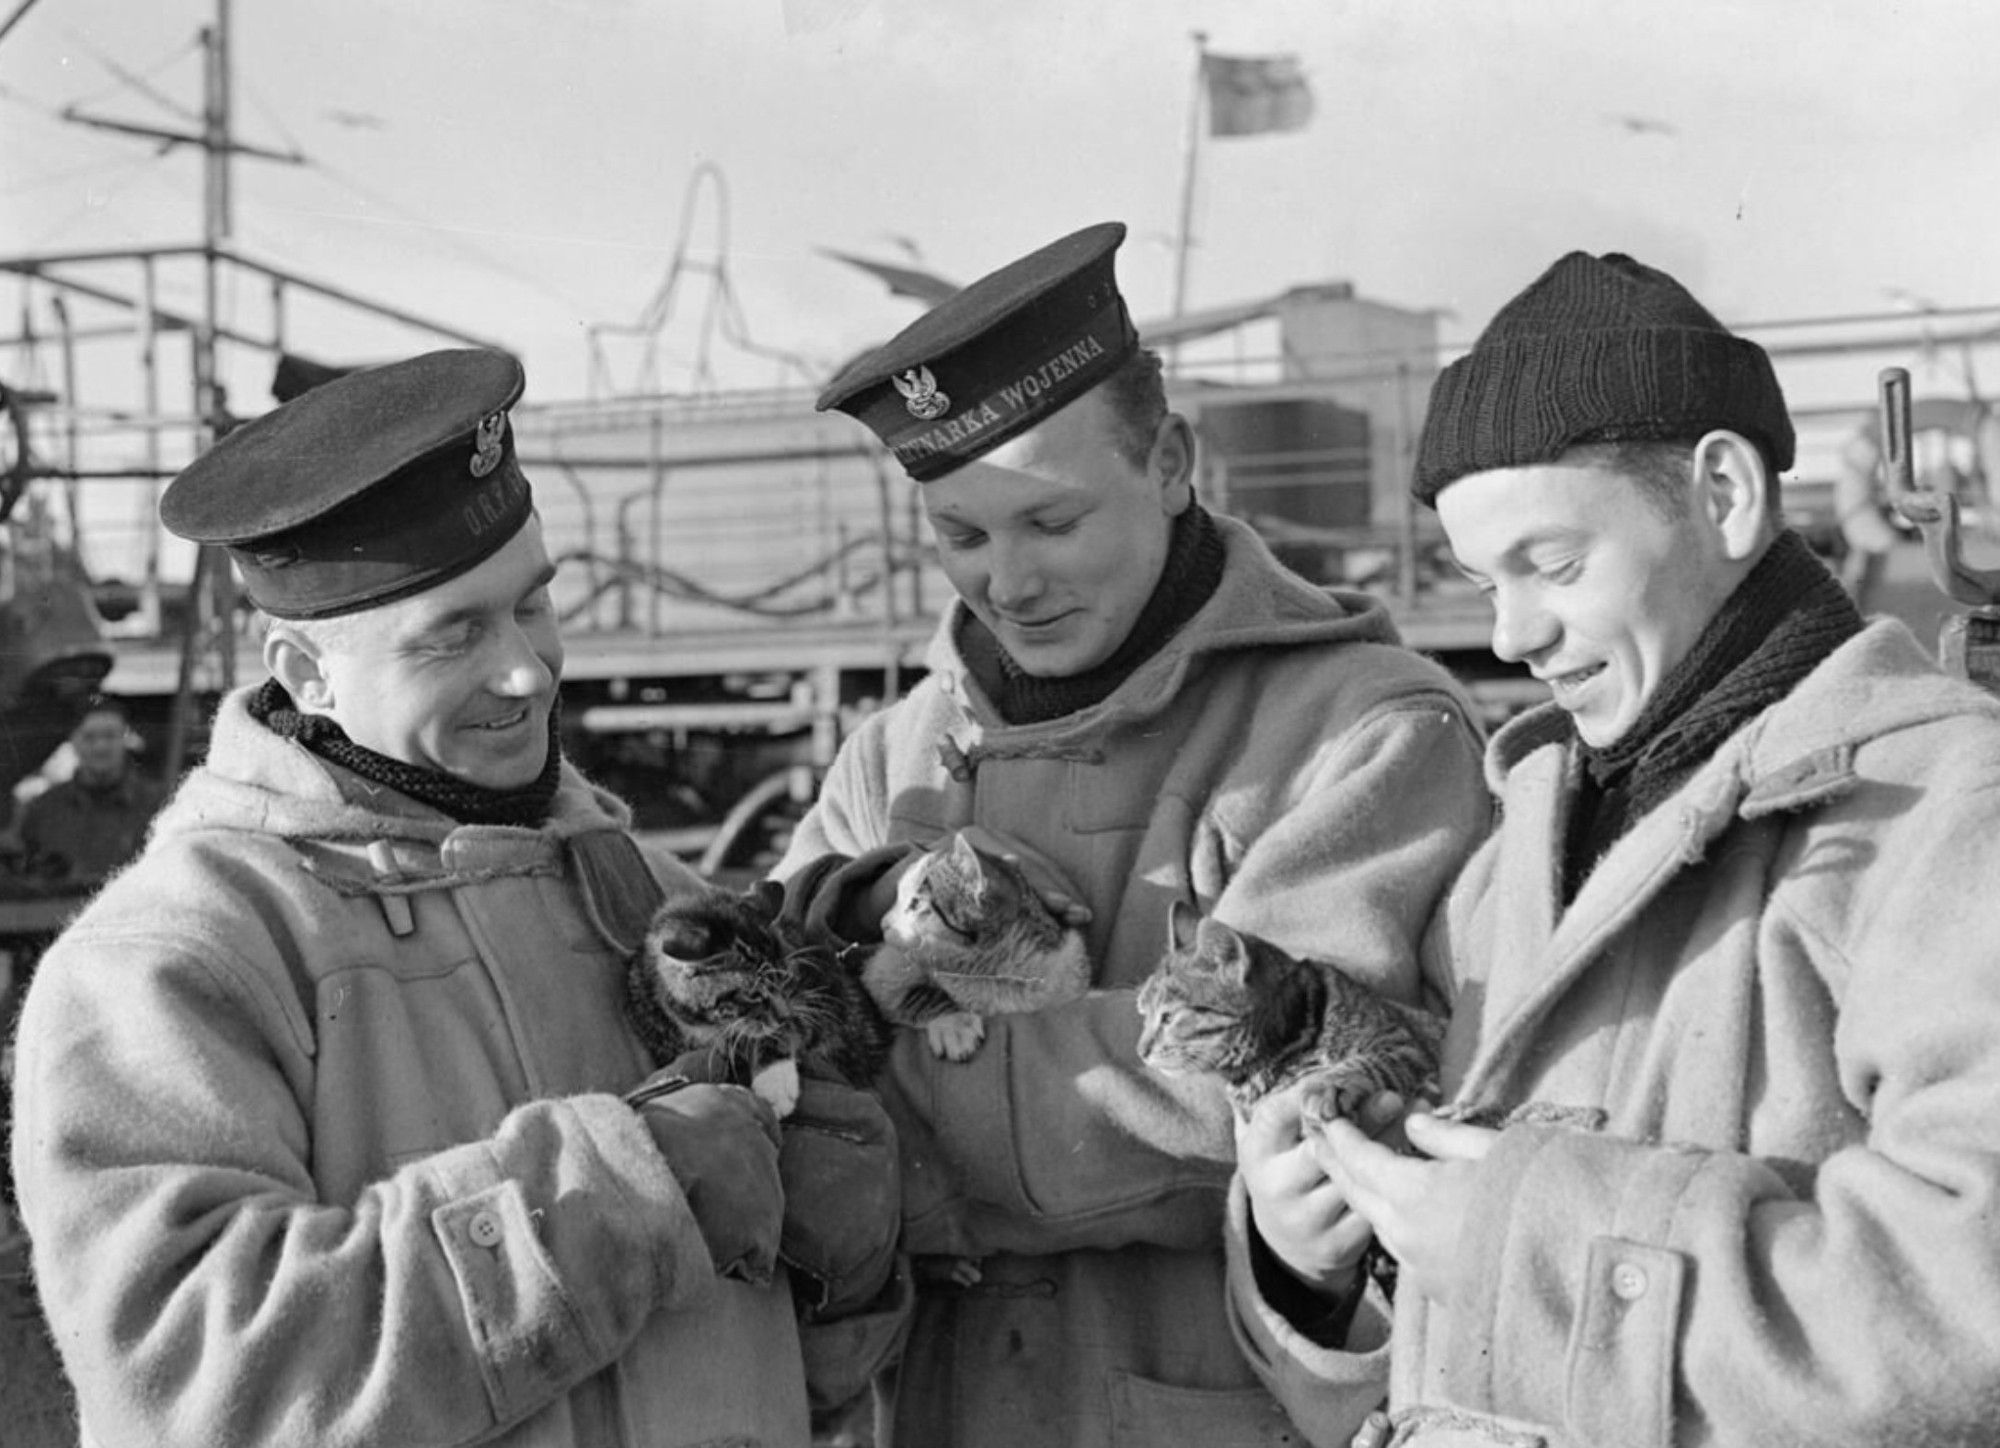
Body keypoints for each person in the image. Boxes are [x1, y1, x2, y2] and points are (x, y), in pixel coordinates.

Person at [7, 348, 906, 1448]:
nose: (529, 668)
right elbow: (199, 1393)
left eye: (534, 605)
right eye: (456, 633)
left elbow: (806, 1382)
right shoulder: (169, 964)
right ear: (303, 670)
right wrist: (628, 1191)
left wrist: (846, 1276)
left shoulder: (654, 902)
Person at [1230, 251, 2000, 1446]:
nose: (1508, 632)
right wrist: (1314, 1265)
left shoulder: (1938, 810)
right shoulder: (1508, 857)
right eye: (1478, 579)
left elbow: (1964, 1310)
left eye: (1551, 563)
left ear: (1724, 495)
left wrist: (1518, 1239)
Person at [783, 221, 1491, 1447]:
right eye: (960, 535)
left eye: (1050, 525)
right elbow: (770, 1057)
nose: (1005, 583)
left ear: (1168, 460)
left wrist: (889, 1089)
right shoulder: (887, 755)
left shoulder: (1362, 730)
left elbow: (1283, 1101)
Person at [7, 694, 166, 885]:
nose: (100, 746)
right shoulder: (43, 810)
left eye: (110, 735)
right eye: (89, 737)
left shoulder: (159, 806)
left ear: (125, 738)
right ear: (73, 741)